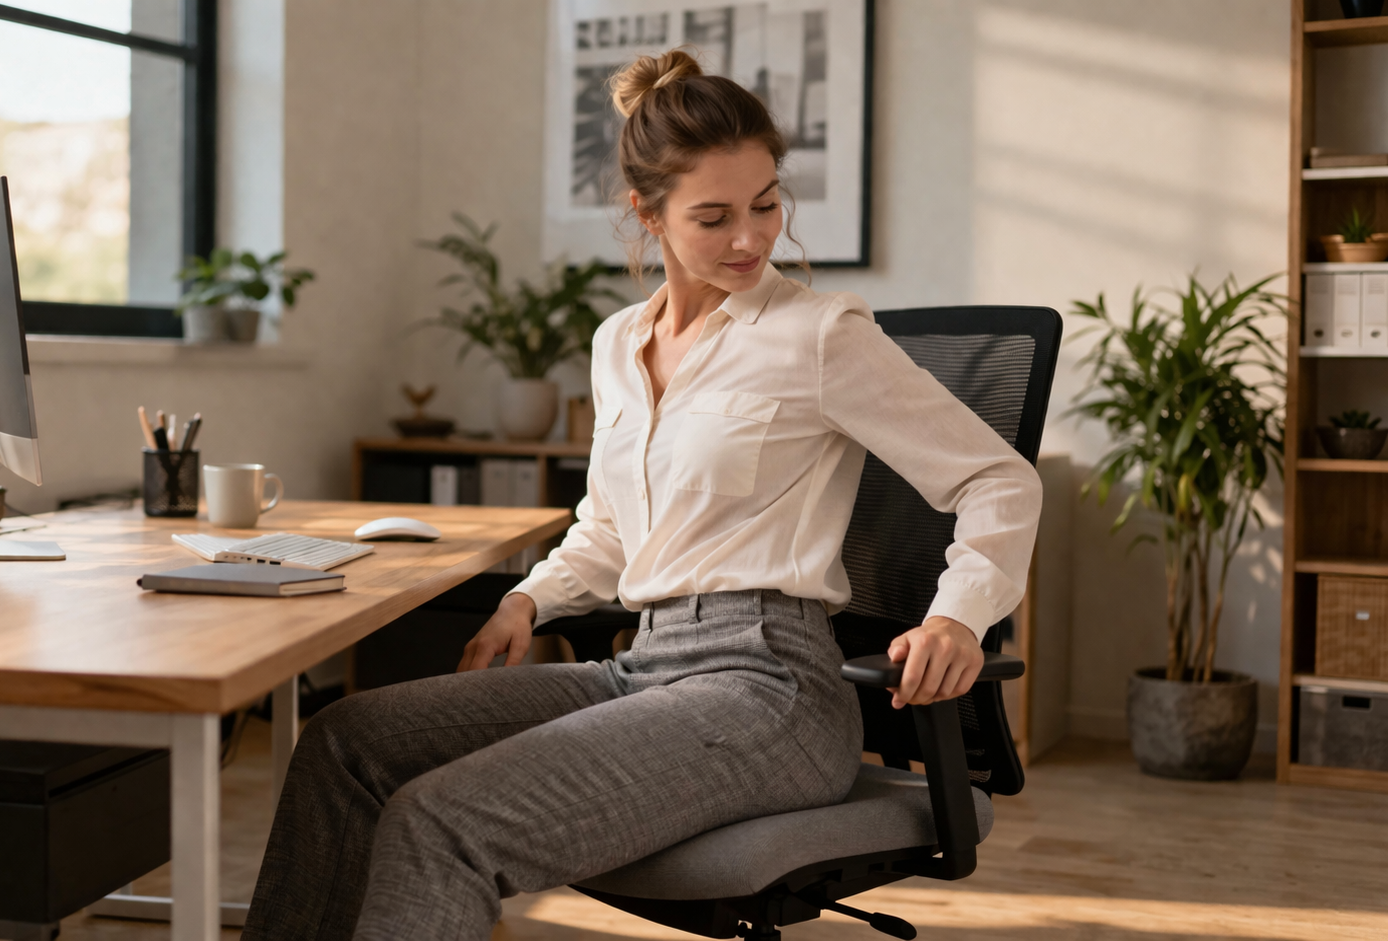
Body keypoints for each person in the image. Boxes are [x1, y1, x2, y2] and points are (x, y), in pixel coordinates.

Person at [242, 49, 1041, 941]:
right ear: (646, 212)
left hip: (769, 688)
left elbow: (998, 478)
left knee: (442, 821)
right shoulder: (618, 343)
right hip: (644, 664)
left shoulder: (819, 334)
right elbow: (612, 525)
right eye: (714, 217)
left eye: (766, 204)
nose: (752, 238)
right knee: (345, 742)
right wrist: (528, 599)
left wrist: (957, 617)